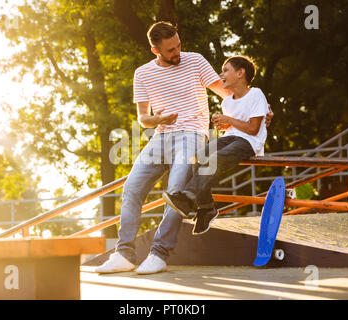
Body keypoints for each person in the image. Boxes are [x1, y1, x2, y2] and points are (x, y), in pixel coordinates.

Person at [95, 22, 272, 275]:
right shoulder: (142, 74)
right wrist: (158, 120)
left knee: (176, 192)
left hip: (192, 133)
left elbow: (231, 92)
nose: (177, 52)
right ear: (155, 50)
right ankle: (124, 253)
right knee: (132, 188)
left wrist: (261, 109)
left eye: (178, 45)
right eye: (170, 50)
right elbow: (143, 118)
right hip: (160, 136)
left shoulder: (195, 61)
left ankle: (159, 254)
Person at [163, 55, 269, 236]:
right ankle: (206, 208)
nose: (221, 75)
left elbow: (252, 129)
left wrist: (229, 120)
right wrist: (226, 125)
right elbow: (235, 125)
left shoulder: (256, 94)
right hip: (231, 138)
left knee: (215, 159)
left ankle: (188, 198)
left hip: (249, 142)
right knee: (197, 157)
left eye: (225, 70)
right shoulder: (227, 102)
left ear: (240, 73)